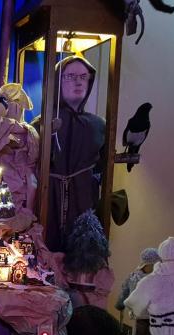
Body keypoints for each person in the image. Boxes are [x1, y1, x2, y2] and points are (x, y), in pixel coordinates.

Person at [33, 55, 106, 252]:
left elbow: (103, 167)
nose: (78, 82)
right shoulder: (42, 124)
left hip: (83, 200)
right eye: (71, 76)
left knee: (83, 256)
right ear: (58, 81)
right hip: (48, 202)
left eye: (83, 77)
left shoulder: (97, 125)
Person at [116, 247, 161, 335]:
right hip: (147, 319)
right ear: (150, 264)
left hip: (148, 319)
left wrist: (120, 305)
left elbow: (123, 294)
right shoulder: (155, 278)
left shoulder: (133, 277)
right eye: (156, 263)